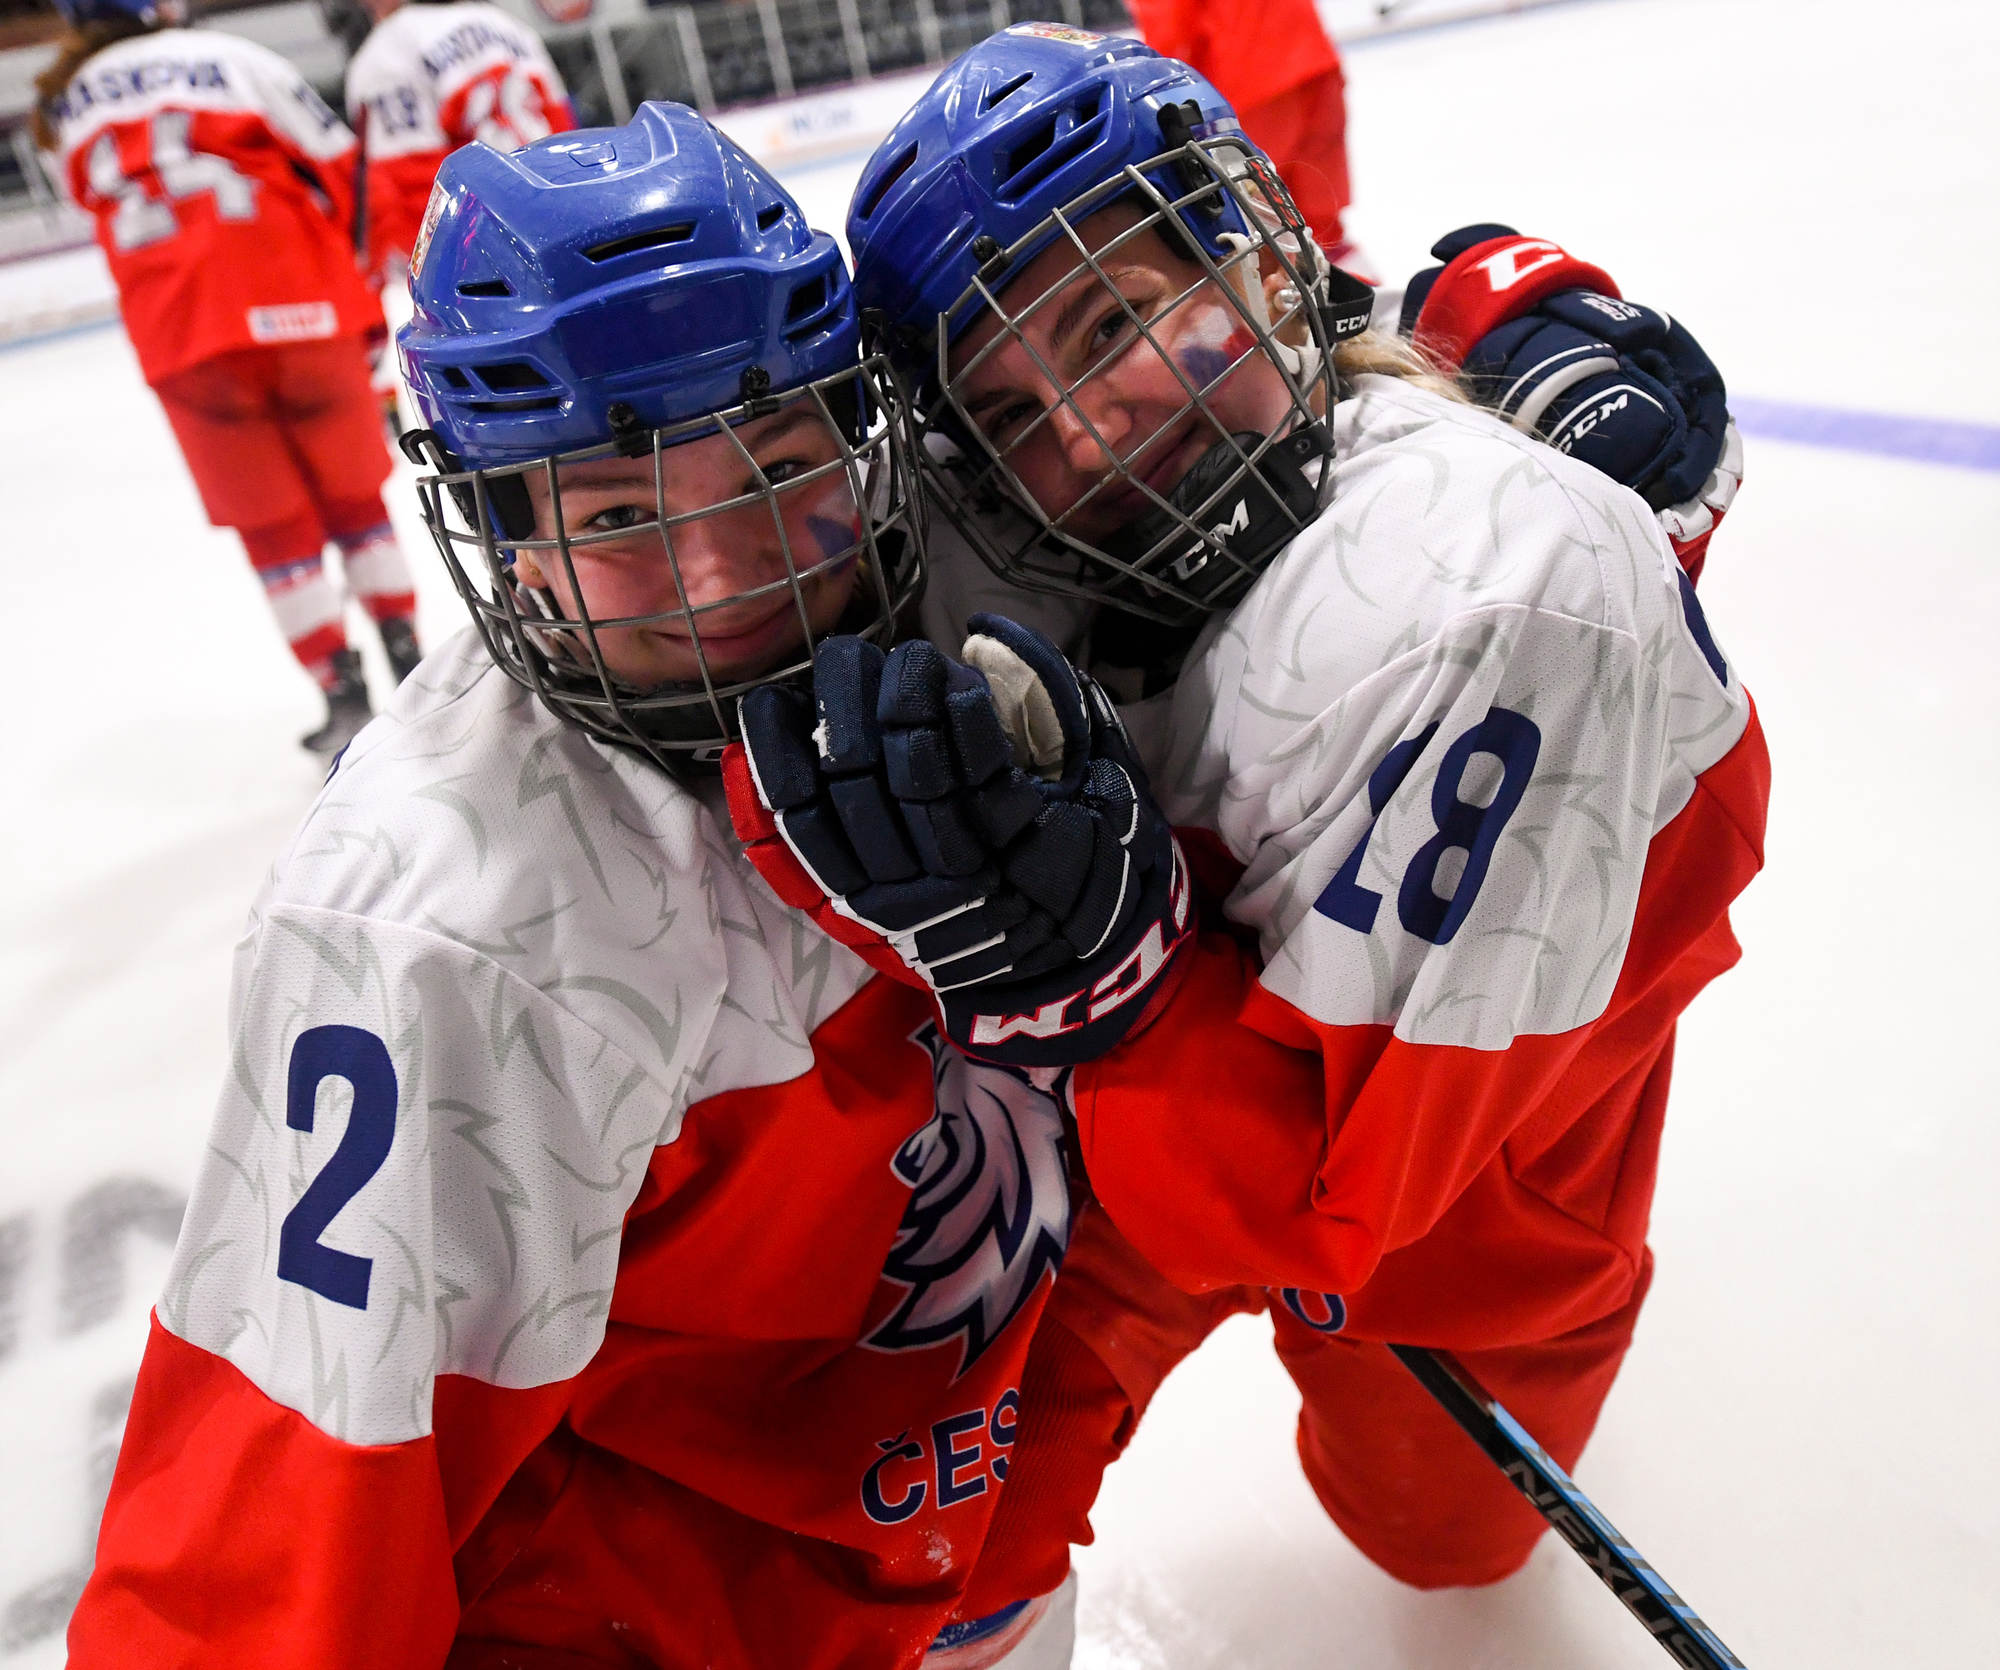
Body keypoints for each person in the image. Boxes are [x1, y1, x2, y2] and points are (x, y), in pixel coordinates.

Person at [732, 22, 1767, 1623]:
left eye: (1111, 318)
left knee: (1441, 1541)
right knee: (919, 1535)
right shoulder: (1003, 498)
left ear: (1260, 257)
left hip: (1460, 1144)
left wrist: (1120, 978)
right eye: (1010, 406)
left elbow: (1334, 1204)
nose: (1080, 431)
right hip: (1133, 1087)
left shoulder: (1499, 585)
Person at [65, 103, 1102, 1670]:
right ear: (509, 547)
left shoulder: (971, 588)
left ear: (863, 435)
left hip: (973, 1533)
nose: (727, 572)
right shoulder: (441, 928)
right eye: (620, 514)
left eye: (773, 460)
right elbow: (272, 1545)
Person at [35, 0, 425, 754]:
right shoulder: (235, 58)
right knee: (354, 500)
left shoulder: (61, 109)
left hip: (183, 334)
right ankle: (409, 661)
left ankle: (341, 693)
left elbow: (90, 204)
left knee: (275, 529)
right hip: (302, 300)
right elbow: (347, 168)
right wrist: (360, 285)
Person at [343, 0, 574, 290]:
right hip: (558, 243)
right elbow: (568, 142)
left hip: (471, 274)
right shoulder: (509, 26)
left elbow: (408, 192)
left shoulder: (385, 51)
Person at [1127, 0, 1361, 268]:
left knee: (1257, 219)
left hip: (1249, 77)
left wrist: (1163, 103)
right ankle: (1354, 288)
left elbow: (1170, 36)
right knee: (1322, 224)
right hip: (1311, 58)